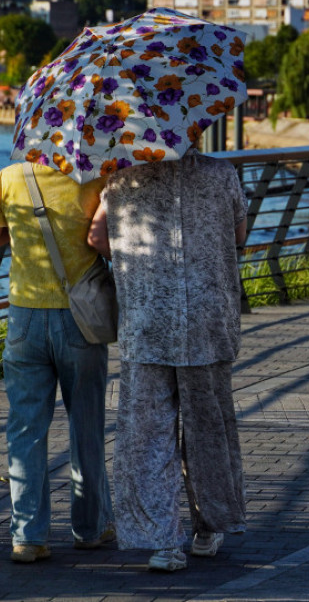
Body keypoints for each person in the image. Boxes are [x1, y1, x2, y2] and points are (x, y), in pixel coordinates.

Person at [87, 149, 247, 573]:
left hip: (146, 323)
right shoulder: (221, 174)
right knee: (208, 430)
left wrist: (136, 263)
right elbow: (238, 234)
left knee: (147, 436)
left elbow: (96, 239)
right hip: (208, 321)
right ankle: (208, 528)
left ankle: (162, 542)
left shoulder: (123, 180)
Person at [0, 162, 115, 563]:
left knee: (26, 428)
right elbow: (102, 239)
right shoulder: (97, 176)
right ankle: (90, 528)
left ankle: (28, 536)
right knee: (86, 424)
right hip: (81, 317)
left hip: (25, 317)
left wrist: (19, 231)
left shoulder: (10, 176)